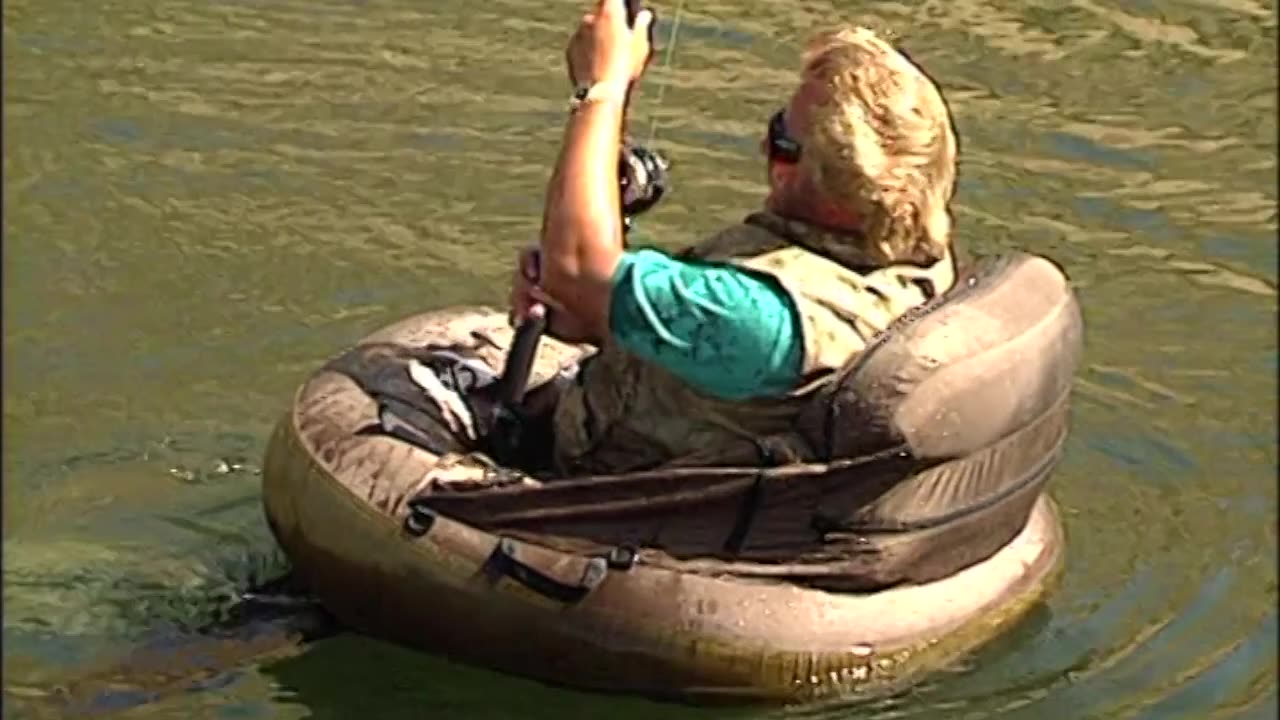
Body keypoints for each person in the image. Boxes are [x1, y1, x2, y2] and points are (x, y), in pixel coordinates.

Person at [506, 1, 961, 477]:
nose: (765, 148)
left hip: (606, 484)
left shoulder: (757, 319)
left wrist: (601, 88)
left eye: (783, 142)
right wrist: (593, 311)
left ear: (833, 199)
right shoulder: (912, 262)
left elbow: (578, 268)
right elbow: (584, 285)